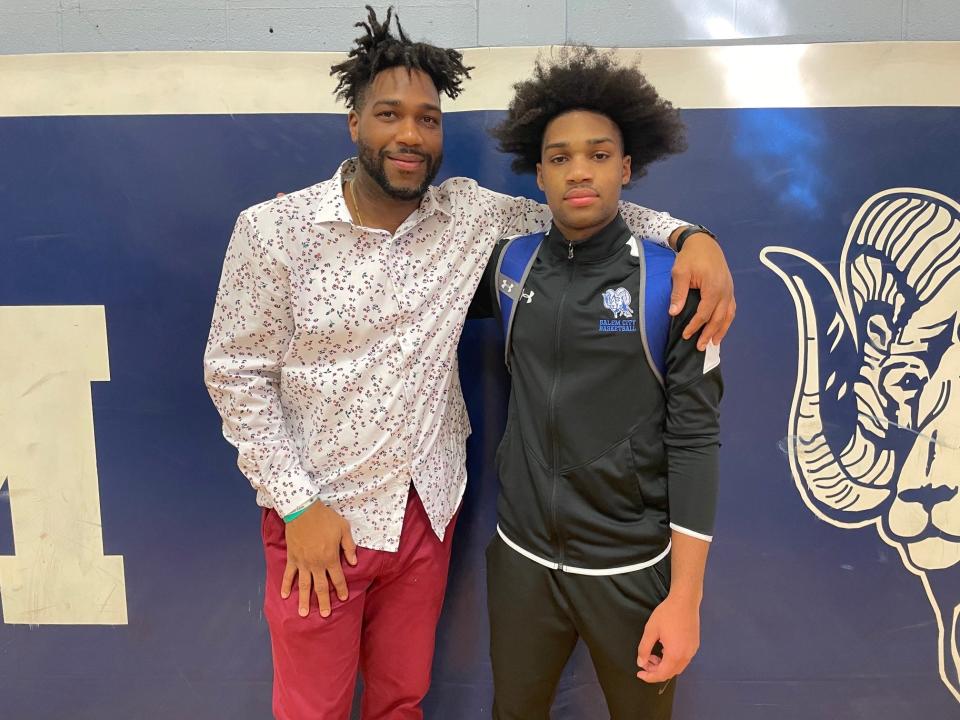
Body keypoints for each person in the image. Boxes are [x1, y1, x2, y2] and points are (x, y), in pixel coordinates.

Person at [203, 7, 733, 719]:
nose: (410, 135)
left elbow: (581, 205)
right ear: (354, 123)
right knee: (312, 712)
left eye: (428, 118)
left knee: (402, 701)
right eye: (390, 114)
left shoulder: (471, 218)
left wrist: (691, 235)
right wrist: (297, 503)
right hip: (320, 520)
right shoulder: (273, 232)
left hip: (426, 513)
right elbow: (235, 374)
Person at [473, 47, 723, 719]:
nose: (578, 171)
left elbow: (697, 441)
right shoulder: (511, 267)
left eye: (598, 154)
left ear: (627, 166)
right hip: (521, 560)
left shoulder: (674, 283)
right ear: (539, 172)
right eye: (559, 158)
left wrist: (685, 600)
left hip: (630, 573)